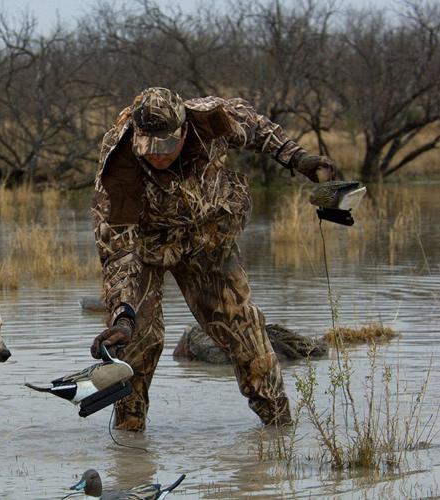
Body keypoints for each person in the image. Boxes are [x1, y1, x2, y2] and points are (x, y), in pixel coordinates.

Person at [91, 87, 335, 430]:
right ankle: (131, 446)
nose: (158, 156)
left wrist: (299, 159)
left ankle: (280, 432)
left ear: (184, 130)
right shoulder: (119, 169)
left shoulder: (213, 120)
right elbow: (119, 253)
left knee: (245, 332)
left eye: (166, 147)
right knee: (138, 342)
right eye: (149, 148)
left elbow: (260, 129)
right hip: (146, 249)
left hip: (207, 242)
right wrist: (122, 316)